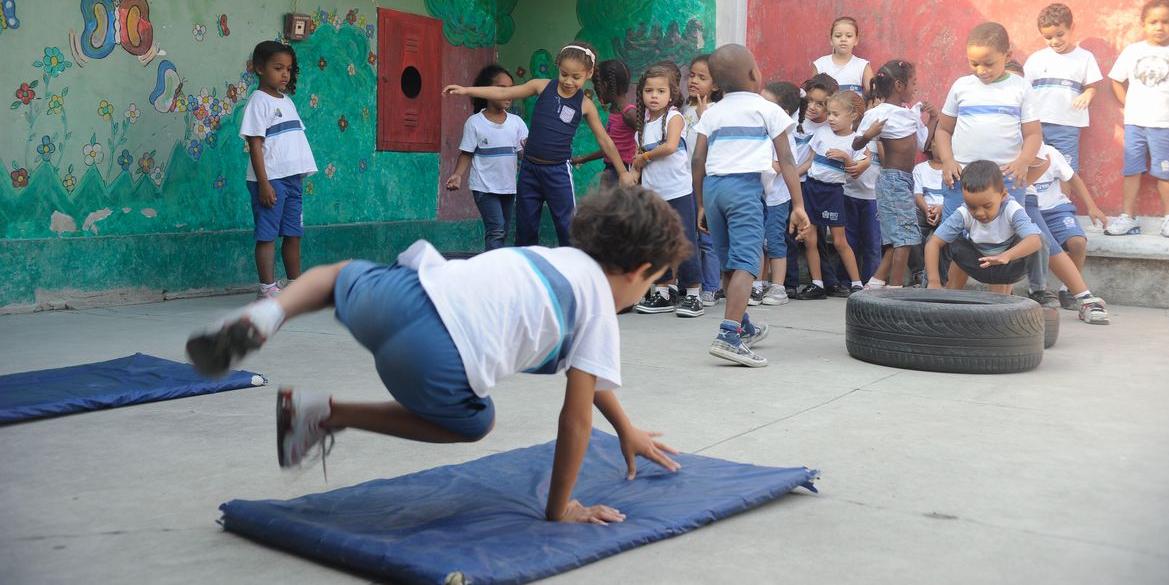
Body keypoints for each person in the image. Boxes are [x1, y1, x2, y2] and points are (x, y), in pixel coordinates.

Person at [186, 185, 688, 525]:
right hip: (436, 359)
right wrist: (561, 508)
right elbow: (575, 418)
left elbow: (594, 380)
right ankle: (326, 415)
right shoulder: (599, 303)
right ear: (639, 270)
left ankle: (264, 318)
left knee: (336, 276)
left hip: (407, 294)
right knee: (475, 421)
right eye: (654, 282)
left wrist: (626, 428)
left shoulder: (555, 259)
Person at [933, 22, 1108, 323]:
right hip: (962, 181)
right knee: (960, 239)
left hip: (1006, 181)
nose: (981, 70)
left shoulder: (1020, 88)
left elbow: (1033, 135)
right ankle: (948, 303)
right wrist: (947, 161)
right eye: (974, 63)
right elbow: (943, 130)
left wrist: (1023, 162)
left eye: (989, 63)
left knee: (1035, 236)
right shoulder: (962, 87)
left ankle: (1084, 297)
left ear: (1007, 54)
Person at [444, 43, 634, 247]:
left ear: (588, 74)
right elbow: (503, 93)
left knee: (567, 226)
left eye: (576, 77)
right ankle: (527, 272)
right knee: (525, 228)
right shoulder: (541, 86)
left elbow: (605, 140)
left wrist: (623, 172)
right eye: (564, 74)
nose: (568, 81)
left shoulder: (584, 105)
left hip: (558, 172)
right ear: (558, 66)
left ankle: (572, 272)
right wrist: (466, 90)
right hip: (530, 171)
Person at [693, 44, 810, 367]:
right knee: (747, 261)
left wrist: (701, 203)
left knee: (731, 261)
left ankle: (742, 324)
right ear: (754, 74)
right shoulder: (767, 110)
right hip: (744, 189)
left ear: (715, 83)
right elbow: (786, 159)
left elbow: (698, 159)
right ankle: (728, 334)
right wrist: (798, 205)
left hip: (714, 188)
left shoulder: (712, 112)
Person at [240, 41, 317, 300]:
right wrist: (263, 184)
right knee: (267, 235)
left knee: (293, 233)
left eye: (288, 69)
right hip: (270, 181)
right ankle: (267, 289)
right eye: (278, 68)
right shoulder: (258, 102)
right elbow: (255, 144)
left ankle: (295, 283)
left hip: (292, 180)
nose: (284, 74)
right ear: (260, 68)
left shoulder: (288, 101)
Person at [853, 59, 937, 289]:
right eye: (913, 83)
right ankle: (895, 289)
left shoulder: (909, 114)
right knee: (906, 237)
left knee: (899, 236)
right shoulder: (878, 114)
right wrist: (870, 134)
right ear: (899, 85)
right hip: (891, 180)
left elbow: (923, 143)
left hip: (905, 181)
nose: (916, 88)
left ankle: (877, 282)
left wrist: (934, 119)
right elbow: (856, 143)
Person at [631, 64, 704, 317]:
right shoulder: (641, 128)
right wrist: (631, 174)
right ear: (641, 94)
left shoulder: (674, 117)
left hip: (678, 191)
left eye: (660, 91)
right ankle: (662, 292)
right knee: (659, 243)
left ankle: (693, 293)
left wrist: (645, 157)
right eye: (649, 91)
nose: (654, 96)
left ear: (670, 95)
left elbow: (671, 146)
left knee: (684, 241)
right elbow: (637, 164)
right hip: (654, 194)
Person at [925, 161, 1043, 294]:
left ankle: (1038, 290)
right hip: (979, 265)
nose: (979, 213)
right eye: (972, 207)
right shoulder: (963, 212)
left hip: (1009, 266)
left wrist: (1006, 256)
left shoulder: (1012, 208)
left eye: (987, 206)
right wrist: (933, 281)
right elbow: (933, 243)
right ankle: (935, 289)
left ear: (1003, 195)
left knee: (1039, 238)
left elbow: (1035, 241)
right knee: (943, 239)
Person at [445, 64, 528, 251]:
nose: (508, 94)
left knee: (503, 230)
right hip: (484, 187)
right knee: (496, 230)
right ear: (488, 91)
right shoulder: (475, 122)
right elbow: (466, 153)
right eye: (501, 89)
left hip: (508, 188)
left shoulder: (517, 123)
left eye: (511, 89)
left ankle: (493, 267)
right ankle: (492, 273)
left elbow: (524, 151)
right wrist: (458, 175)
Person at [1105, 0, 1169, 237]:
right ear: (1143, 24)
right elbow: (1115, 80)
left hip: (1164, 125)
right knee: (1131, 171)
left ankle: (1168, 218)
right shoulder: (1134, 51)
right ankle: (1128, 217)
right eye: (1154, 22)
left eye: (1165, 22)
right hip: (1135, 124)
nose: (1160, 27)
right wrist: (1127, 104)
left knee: (1165, 173)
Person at [798, 92, 866, 298]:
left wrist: (845, 157)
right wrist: (792, 176)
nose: (830, 118)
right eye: (830, 113)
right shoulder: (821, 133)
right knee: (810, 239)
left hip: (833, 193)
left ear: (852, 116)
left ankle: (857, 284)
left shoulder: (855, 142)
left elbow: (853, 170)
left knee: (839, 241)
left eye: (836, 114)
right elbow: (810, 161)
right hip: (811, 189)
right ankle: (817, 284)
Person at [1023, 3, 1103, 173]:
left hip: (1067, 125)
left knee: (1065, 170)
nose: (1055, 41)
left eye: (1060, 34)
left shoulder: (1084, 58)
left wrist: (1087, 94)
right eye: (1048, 37)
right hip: (1036, 125)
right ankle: (1035, 200)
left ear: (1071, 28)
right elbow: (1024, 90)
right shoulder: (1036, 59)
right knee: (1035, 165)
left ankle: (1063, 200)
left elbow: (1091, 87)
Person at [1032, 143, 1110, 309]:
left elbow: (1072, 178)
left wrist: (1091, 206)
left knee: (1077, 242)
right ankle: (1037, 290)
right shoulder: (1009, 154)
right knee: (1039, 244)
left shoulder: (1050, 153)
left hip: (1056, 209)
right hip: (1028, 210)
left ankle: (1068, 289)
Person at [785, 74, 839, 299]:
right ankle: (790, 282)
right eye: (810, 101)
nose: (814, 107)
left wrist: (792, 174)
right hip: (786, 185)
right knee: (789, 235)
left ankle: (828, 282)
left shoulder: (830, 126)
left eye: (821, 104)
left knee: (815, 236)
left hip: (811, 186)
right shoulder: (794, 119)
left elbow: (811, 161)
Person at [682, 54, 724, 306]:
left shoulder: (716, 111)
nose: (694, 81)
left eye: (702, 77)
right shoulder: (686, 110)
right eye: (691, 75)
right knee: (690, 237)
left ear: (716, 85)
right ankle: (689, 284)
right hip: (685, 181)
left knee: (707, 238)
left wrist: (703, 115)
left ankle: (711, 287)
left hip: (707, 182)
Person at [757, 81, 804, 305]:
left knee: (774, 241)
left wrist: (755, 167)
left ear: (782, 113)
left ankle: (778, 288)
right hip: (759, 197)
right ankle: (756, 285)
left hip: (776, 199)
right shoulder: (759, 133)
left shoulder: (785, 136)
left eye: (767, 104)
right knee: (756, 241)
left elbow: (780, 165)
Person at [573, 60, 638, 186]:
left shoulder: (629, 114)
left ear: (605, 84)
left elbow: (645, 141)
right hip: (611, 168)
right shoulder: (615, 112)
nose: (596, 90)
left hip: (624, 171)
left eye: (596, 86)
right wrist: (583, 159)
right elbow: (610, 148)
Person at [812, 16, 875, 94]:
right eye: (838, 36)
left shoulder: (862, 66)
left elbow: (873, 94)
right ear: (831, 40)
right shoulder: (820, 65)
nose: (843, 39)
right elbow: (812, 94)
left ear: (856, 40)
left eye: (849, 36)